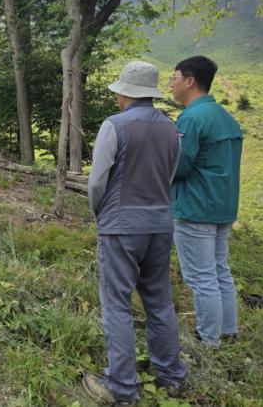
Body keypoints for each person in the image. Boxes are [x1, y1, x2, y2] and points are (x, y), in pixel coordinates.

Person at [83, 61, 187, 405]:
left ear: (125, 93)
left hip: (121, 225)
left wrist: (100, 213)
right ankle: (170, 376)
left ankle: (122, 386)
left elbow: (97, 182)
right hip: (160, 224)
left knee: (117, 303)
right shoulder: (171, 129)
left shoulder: (114, 126)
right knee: (159, 301)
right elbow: (169, 176)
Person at [170, 56, 242, 347]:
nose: (171, 84)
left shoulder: (191, 118)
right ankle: (228, 331)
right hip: (223, 206)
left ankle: (208, 339)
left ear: (189, 81)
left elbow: (178, 166)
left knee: (201, 277)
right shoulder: (225, 116)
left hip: (195, 207)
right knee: (220, 270)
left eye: (174, 78)